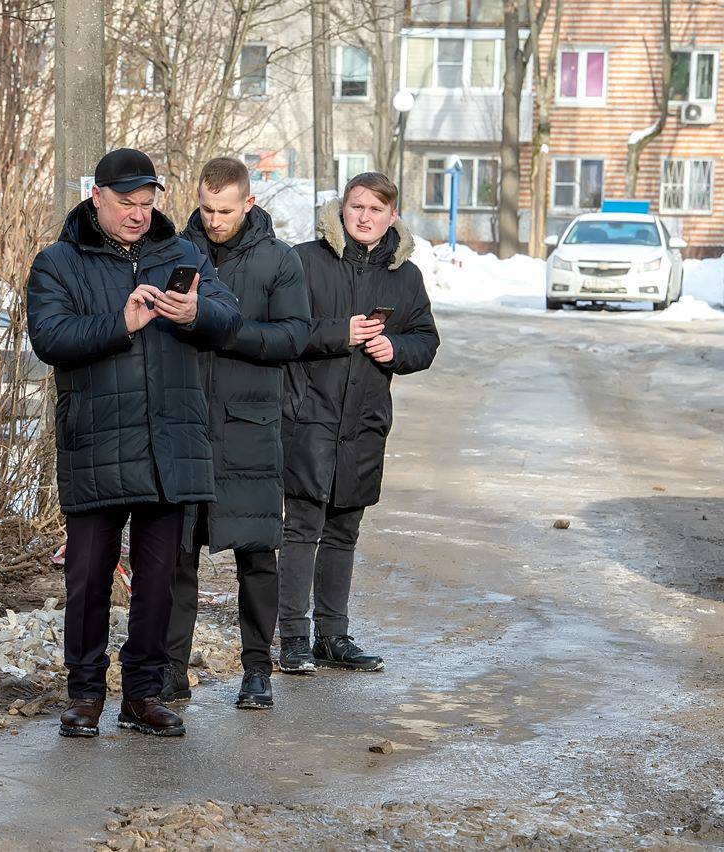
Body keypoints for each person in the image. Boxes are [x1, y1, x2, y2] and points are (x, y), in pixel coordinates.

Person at [27, 148, 241, 739]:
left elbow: (228, 316)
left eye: (147, 204)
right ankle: (85, 694)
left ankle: (143, 694)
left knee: (159, 581)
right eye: (126, 203)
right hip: (96, 441)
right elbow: (49, 336)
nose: (138, 214)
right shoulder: (59, 262)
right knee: (88, 579)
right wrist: (120, 324)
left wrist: (194, 311)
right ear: (96, 197)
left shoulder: (182, 254)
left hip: (169, 443)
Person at [162, 157, 310, 710]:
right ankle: (171, 671)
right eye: (207, 208)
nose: (215, 219)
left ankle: (257, 670)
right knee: (176, 557)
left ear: (248, 203)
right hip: (186, 425)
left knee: (257, 555)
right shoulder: (175, 253)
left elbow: (293, 337)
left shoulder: (279, 260)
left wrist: (220, 327)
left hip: (250, 427)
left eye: (225, 210)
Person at [277, 172, 439, 676]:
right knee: (301, 528)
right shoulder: (305, 261)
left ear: (393, 216)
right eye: (357, 206)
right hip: (309, 415)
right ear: (341, 209)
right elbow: (283, 333)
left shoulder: (405, 276)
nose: (364, 217)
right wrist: (338, 333)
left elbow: (426, 340)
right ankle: (293, 638)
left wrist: (397, 348)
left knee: (344, 530)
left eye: (375, 209)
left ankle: (333, 635)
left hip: (365, 423)